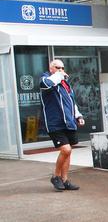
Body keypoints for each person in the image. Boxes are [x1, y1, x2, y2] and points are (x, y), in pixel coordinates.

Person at [40, 59, 84, 192]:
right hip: (55, 123)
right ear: (51, 68)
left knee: (68, 152)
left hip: (69, 122)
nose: (61, 70)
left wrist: (78, 116)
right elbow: (46, 84)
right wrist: (59, 76)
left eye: (63, 68)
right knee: (66, 150)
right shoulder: (45, 79)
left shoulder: (65, 84)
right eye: (58, 67)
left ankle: (65, 180)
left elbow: (71, 102)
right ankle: (55, 177)